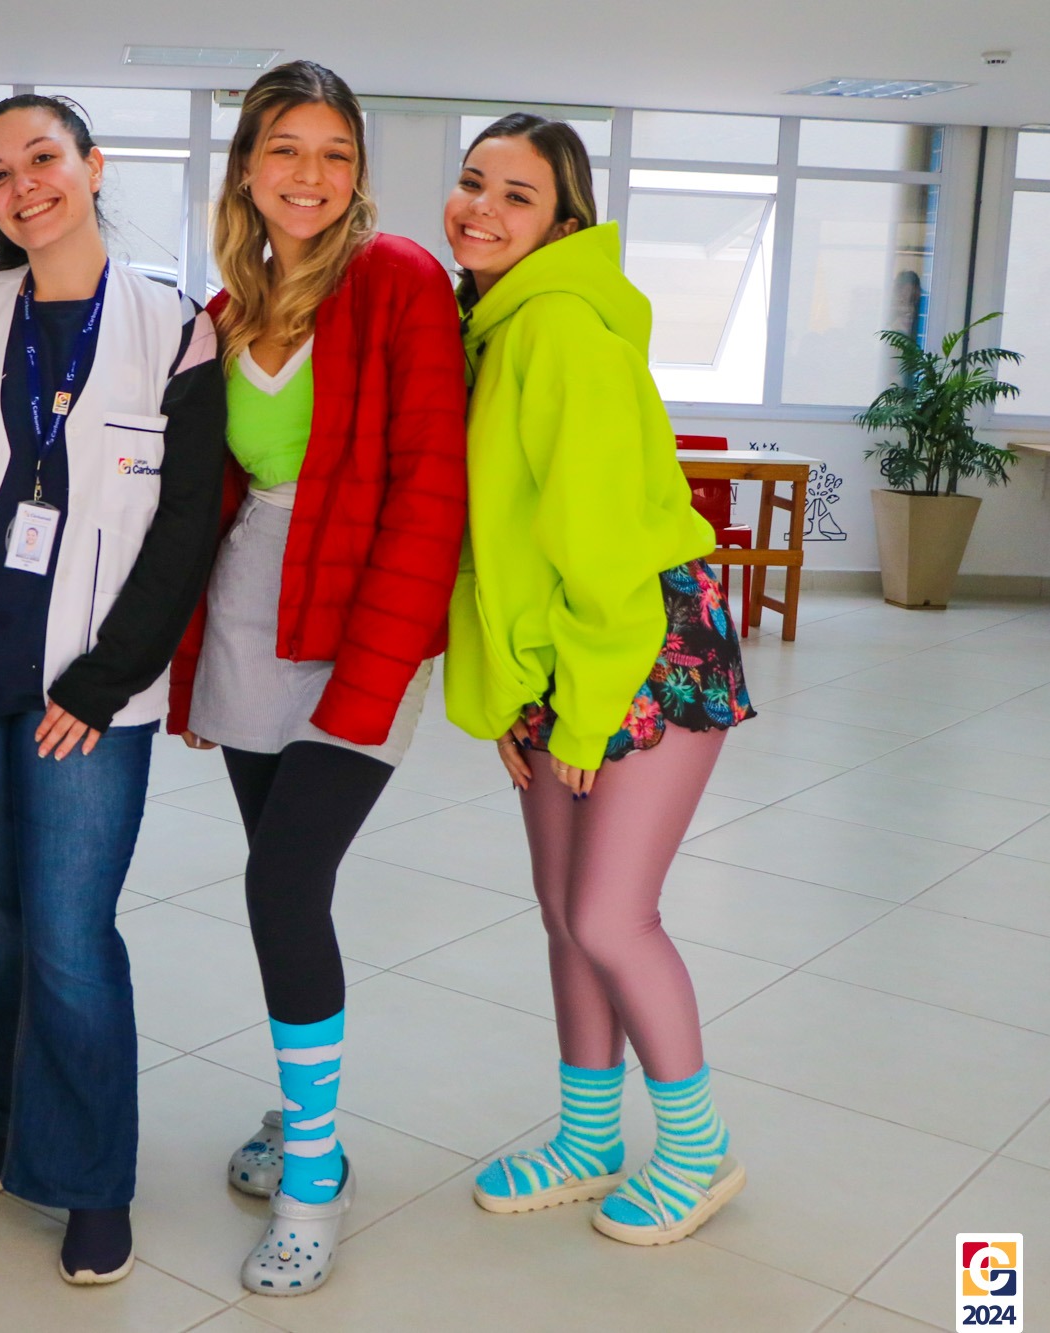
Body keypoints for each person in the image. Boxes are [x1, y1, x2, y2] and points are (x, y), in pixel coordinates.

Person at [0, 93, 226, 1286]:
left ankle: (90, 1178)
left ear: (92, 165)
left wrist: (110, 677)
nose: (22, 185)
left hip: (87, 692)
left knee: (70, 933)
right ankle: (12, 1122)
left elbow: (185, 523)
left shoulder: (175, 327)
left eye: (42, 158)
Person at [163, 60, 468, 1297]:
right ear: (246, 168)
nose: (310, 174)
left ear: (358, 174)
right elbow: (214, 496)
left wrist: (371, 674)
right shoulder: (229, 304)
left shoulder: (396, 279)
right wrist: (188, 659)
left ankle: (313, 1176)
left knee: (282, 883)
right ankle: (305, 1115)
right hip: (253, 615)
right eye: (285, 149)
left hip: (361, 621)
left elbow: (429, 486)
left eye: (335, 153)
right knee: (283, 887)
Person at [442, 113, 753, 1246]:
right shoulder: (493, 327)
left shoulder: (562, 328)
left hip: (640, 649)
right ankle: (586, 1139)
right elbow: (500, 547)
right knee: (564, 917)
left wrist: (580, 714)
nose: (481, 207)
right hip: (568, 658)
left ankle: (698, 1149)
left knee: (611, 917)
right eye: (472, 182)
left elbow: (603, 547)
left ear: (564, 226)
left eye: (515, 195)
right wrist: (512, 691)